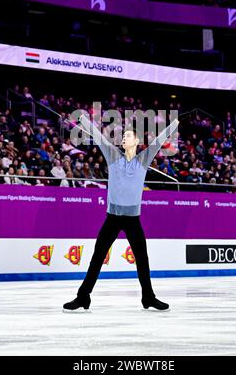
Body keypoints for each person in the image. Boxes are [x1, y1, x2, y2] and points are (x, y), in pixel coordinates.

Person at [63, 112, 179, 312]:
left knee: (142, 259)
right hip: (113, 218)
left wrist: (174, 124)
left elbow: (159, 142)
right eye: (123, 137)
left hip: (133, 219)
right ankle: (83, 297)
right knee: (98, 256)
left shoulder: (143, 159)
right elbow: (98, 136)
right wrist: (83, 121)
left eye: (129, 136)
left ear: (136, 142)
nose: (125, 139)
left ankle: (148, 297)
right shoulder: (113, 156)